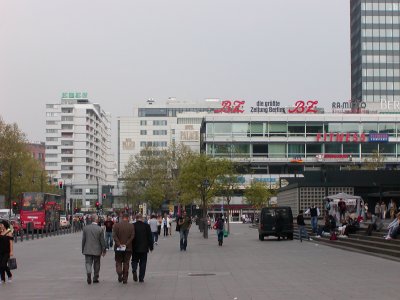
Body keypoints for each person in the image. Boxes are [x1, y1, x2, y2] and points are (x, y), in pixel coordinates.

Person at [81, 214, 106, 284]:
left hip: (87, 249)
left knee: (88, 263)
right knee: (97, 264)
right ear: (97, 220)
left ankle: (89, 273)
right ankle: (95, 277)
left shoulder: (86, 228)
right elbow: (102, 241)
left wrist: (83, 249)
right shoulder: (100, 229)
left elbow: (84, 240)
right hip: (97, 250)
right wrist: (103, 249)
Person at [113, 213, 134, 284]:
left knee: (118, 261)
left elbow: (114, 236)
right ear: (128, 218)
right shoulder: (131, 226)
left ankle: (119, 273)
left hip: (118, 248)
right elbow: (132, 236)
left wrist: (119, 244)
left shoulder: (116, 225)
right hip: (128, 248)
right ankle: (125, 279)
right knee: (126, 262)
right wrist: (126, 244)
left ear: (122, 218)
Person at [131, 214, 153, 283]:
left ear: (136, 218)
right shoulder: (146, 226)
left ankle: (134, 269)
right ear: (142, 218)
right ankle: (141, 278)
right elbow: (150, 237)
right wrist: (151, 246)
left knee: (134, 260)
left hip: (135, 247)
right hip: (144, 248)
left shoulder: (133, 226)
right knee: (143, 263)